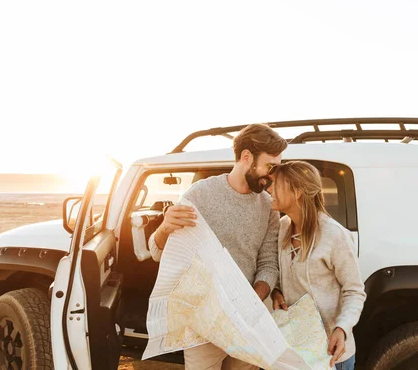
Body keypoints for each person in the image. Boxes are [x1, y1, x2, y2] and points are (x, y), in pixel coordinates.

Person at [148, 123, 288, 370]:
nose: (272, 175)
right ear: (247, 157)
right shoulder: (199, 194)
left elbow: (268, 263)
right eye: (270, 166)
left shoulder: (267, 205)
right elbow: (160, 253)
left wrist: (249, 303)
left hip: (247, 322)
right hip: (202, 322)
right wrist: (164, 228)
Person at [269, 161, 366, 370]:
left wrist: (342, 328)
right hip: (296, 350)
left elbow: (355, 291)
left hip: (330, 354)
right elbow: (278, 270)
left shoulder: (334, 235)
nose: (269, 189)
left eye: (275, 184)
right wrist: (275, 291)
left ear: (297, 192)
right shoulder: (282, 226)